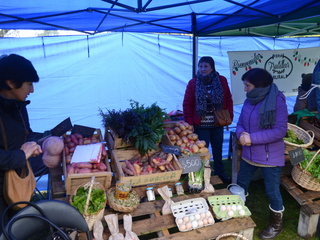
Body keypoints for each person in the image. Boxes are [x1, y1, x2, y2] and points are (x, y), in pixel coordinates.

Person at [236, 68, 288, 239]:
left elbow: (279, 131)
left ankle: (276, 225)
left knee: (272, 191)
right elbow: (240, 123)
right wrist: (242, 135)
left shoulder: (277, 101)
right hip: (249, 153)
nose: (245, 89)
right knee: (241, 184)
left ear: (259, 86)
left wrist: (252, 138)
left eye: (247, 85)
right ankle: (240, 214)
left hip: (269, 157)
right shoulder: (249, 100)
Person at [0, 54, 48, 230]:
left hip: (17, 179)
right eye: (29, 84)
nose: (32, 90)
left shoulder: (18, 105)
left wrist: (38, 142)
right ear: (11, 83)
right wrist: (22, 154)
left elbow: (25, 134)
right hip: (1, 191)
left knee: (16, 227)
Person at [183, 56, 234, 184]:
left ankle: (220, 173)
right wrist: (189, 122)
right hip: (201, 124)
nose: (202, 69)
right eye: (200, 66)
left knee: (218, 148)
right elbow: (187, 103)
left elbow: (228, 99)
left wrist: (230, 116)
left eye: (206, 66)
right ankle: (201, 177)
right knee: (201, 151)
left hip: (218, 122)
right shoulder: (193, 83)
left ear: (212, 67)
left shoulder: (221, 80)